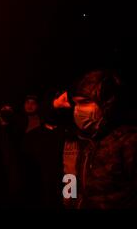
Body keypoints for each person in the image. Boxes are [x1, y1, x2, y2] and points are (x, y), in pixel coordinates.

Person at [55, 70, 137, 208]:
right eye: (76, 103)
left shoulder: (128, 141)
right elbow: (70, 176)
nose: (78, 110)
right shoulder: (79, 139)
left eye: (85, 102)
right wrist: (69, 203)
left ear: (107, 104)